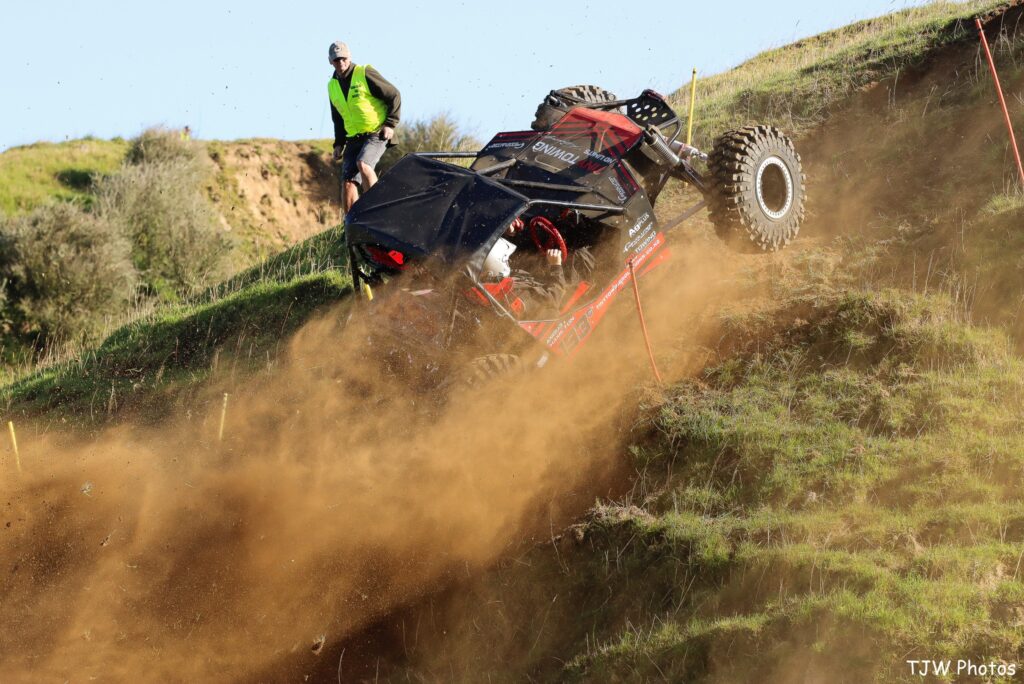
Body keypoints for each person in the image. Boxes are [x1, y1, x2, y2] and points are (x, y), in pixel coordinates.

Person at [327, 41, 402, 213]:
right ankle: (350, 222)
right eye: (336, 59)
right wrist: (339, 143)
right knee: (347, 182)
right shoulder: (332, 86)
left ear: (350, 56)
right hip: (353, 138)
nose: (341, 62)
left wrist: (390, 123)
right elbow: (338, 117)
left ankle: (376, 212)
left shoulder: (364, 73)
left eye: (344, 58)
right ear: (330, 61)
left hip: (376, 132)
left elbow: (394, 95)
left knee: (363, 163)